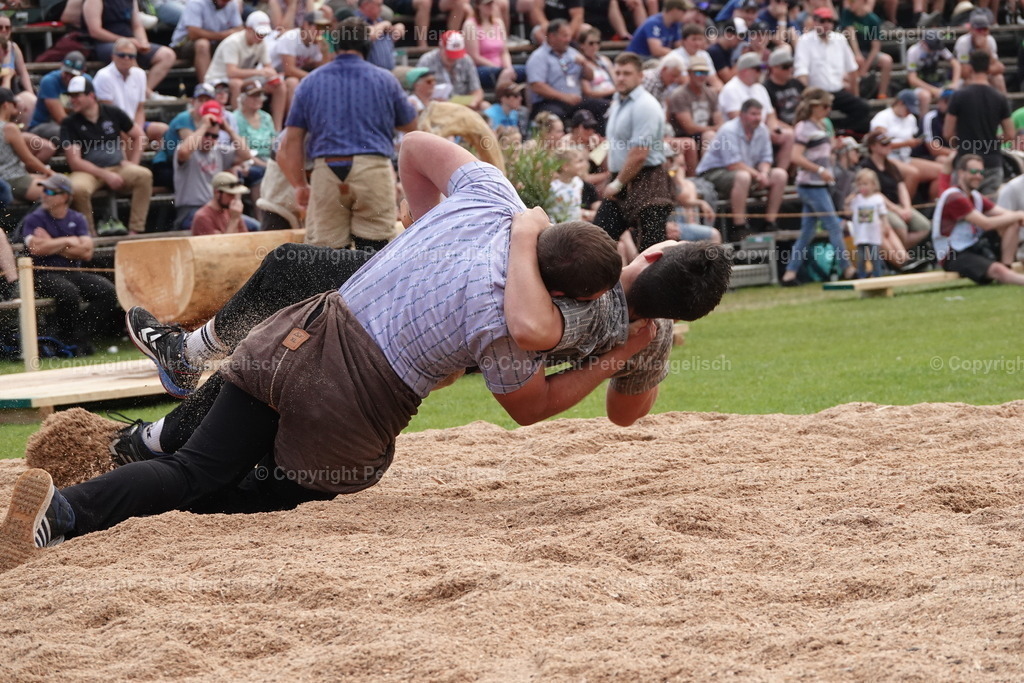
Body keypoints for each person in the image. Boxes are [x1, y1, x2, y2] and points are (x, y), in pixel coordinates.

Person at [0, 132, 733, 571]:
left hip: (300, 332)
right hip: (351, 400)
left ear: (653, 250)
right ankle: (116, 492)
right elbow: (541, 402)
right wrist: (621, 357)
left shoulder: (494, 198)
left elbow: (414, 146)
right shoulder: (539, 323)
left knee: (198, 464)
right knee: (249, 490)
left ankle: (66, 509)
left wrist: (422, 228)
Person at [279, 18, 417, 252]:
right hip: (372, 170)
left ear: (336, 45)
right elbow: (411, 125)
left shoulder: (310, 82)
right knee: (375, 253)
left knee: (327, 256)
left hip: (327, 171)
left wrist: (300, 184)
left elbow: (292, 140)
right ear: (367, 46)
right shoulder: (385, 79)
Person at [22, 174, 121, 356]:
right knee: (68, 293)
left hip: (72, 271)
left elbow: (87, 252)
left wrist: (51, 243)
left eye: (50, 191)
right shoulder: (34, 218)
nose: (44, 194)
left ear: (65, 196)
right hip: (43, 273)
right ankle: (69, 339)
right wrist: (67, 241)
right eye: (44, 190)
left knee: (108, 291)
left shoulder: (78, 217)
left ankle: (78, 336)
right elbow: (36, 249)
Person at [594, 52, 673, 255]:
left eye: (627, 73)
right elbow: (616, 146)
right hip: (622, 179)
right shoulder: (618, 102)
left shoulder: (645, 105)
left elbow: (639, 154)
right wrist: (613, 179)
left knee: (651, 252)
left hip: (649, 182)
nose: (621, 78)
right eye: (618, 73)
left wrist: (617, 183)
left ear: (640, 76)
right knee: (597, 242)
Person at [780, 88, 855, 286]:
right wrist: (820, 170)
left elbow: (819, 151)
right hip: (811, 185)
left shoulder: (821, 124)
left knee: (807, 232)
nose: (828, 110)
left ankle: (789, 273)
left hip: (820, 184)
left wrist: (835, 147)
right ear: (814, 106)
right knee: (833, 226)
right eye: (825, 106)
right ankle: (847, 268)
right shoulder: (804, 127)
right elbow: (796, 157)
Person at [61, 76, 153, 236]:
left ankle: (135, 230)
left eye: (76, 95)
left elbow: (140, 136)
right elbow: (75, 162)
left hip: (118, 166)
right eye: (70, 96)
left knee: (144, 175)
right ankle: (89, 234)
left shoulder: (113, 112)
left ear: (91, 96)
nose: (72, 100)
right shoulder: (69, 123)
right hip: (88, 171)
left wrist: (133, 163)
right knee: (77, 188)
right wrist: (106, 175)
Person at [696, 98, 789, 235]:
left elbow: (766, 159)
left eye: (759, 114)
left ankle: (770, 222)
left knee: (780, 175)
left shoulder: (762, 130)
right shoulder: (728, 130)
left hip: (746, 170)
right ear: (742, 115)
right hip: (713, 173)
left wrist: (764, 173)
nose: (757, 118)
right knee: (743, 177)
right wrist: (758, 176)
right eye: (753, 114)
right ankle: (739, 226)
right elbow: (733, 164)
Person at [933, 153, 1024, 285]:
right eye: (973, 172)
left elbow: (1005, 214)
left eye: (981, 172)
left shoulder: (975, 196)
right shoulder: (954, 197)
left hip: (973, 245)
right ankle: (1006, 273)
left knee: (1012, 222)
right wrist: (1019, 215)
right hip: (953, 254)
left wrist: (1018, 216)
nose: (978, 176)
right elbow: (986, 224)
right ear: (961, 173)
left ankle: (1007, 265)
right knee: (998, 270)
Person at [173, 101, 254, 231]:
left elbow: (246, 155)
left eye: (214, 136)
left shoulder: (219, 151)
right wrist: (204, 126)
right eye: (207, 135)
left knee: (255, 227)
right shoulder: (187, 149)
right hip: (191, 210)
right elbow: (184, 152)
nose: (210, 139)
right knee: (216, 233)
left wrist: (229, 130)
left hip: (218, 209)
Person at [945, 50, 1014, 196]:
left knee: (963, 206)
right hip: (992, 162)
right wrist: (993, 142)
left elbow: (947, 133)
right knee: (990, 207)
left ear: (970, 68)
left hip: (966, 162)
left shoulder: (959, 96)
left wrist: (962, 143)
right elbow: (1010, 134)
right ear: (989, 69)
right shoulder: (1000, 98)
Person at [793, 6, 870, 134]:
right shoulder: (805, 41)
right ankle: (832, 132)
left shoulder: (840, 39)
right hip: (817, 94)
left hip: (837, 92)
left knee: (862, 107)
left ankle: (841, 131)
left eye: (829, 21)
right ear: (815, 22)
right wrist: (807, 97)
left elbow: (852, 70)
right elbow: (802, 73)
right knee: (819, 111)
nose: (826, 24)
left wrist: (855, 95)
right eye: (822, 21)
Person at [206, 10, 286, 128]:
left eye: (264, 34)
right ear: (248, 29)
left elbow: (268, 67)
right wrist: (261, 72)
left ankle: (277, 128)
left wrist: (273, 76)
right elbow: (231, 72)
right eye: (259, 33)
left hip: (243, 78)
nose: (261, 37)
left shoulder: (261, 43)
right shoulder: (233, 42)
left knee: (280, 85)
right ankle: (238, 126)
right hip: (218, 80)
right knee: (236, 83)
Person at [718, 51, 793, 171]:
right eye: (758, 69)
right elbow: (737, 118)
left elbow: (770, 114)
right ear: (744, 71)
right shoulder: (731, 89)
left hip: (761, 130)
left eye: (762, 68)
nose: (761, 72)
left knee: (788, 135)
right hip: (739, 133)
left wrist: (773, 129)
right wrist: (764, 131)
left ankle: (780, 173)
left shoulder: (760, 88)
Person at [81, 0, 177, 95]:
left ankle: (143, 93)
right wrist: (126, 41)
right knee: (127, 55)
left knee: (167, 55)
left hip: (131, 42)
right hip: (105, 43)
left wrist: (143, 42)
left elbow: (137, 26)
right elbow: (95, 31)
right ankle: (147, 94)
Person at [860, 128, 932, 252]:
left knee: (924, 227)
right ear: (872, 146)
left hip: (897, 204)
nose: (889, 146)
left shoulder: (891, 165)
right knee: (900, 227)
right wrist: (896, 210)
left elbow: (901, 187)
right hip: (879, 208)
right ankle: (901, 256)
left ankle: (900, 253)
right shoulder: (866, 166)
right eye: (884, 143)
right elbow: (875, 192)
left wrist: (907, 207)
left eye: (889, 142)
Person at [525, 19, 607, 126]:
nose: (568, 39)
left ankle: (601, 136)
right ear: (552, 36)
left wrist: (585, 64)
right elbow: (537, 86)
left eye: (569, 35)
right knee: (556, 115)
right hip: (548, 102)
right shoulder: (539, 57)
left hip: (575, 102)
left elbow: (590, 77)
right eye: (564, 36)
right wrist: (564, 97)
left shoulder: (573, 52)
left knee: (603, 106)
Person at [93, 38, 170, 151]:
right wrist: (134, 134)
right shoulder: (103, 76)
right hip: (111, 126)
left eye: (131, 56)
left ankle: (160, 161)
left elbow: (140, 109)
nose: (127, 59)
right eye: (122, 55)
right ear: (113, 56)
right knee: (129, 139)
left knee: (164, 131)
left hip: (133, 124)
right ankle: (133, 161)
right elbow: (107, 114)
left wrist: (138, 130)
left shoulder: (140, 74)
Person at [665, 55, 721, 176]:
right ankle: (702, 175)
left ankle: (714, 174)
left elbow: (719, 121)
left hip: (704, 134)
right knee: (709, 136)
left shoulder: (711, 94)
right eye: (698, 72)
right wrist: (713, 129)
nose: (702, 76)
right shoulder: (679, 95)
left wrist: (716, 128)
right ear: (689, 73)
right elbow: (689, 128)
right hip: (684, 135)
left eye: (705, 72)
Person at [270, 10, 330, 114]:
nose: (320, 32)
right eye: (317, 27)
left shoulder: (315, 43)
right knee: (293, 82)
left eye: (322, 28)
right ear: (306, 25)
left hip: (284, 76)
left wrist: (325, 52)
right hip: (270, 73)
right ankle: (291, 120)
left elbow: (321, 69)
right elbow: (289, 70)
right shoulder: (291, 37)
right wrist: (314, 78)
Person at [170, 0, 244, 84]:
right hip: (183, 46)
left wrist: (224, 35)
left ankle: (230, 84)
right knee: (202, 44)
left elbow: (239, 29)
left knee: (233, 42)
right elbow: (193, 33)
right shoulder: (196, 3)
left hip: (214, 43)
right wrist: (223, 35)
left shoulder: (232, 4)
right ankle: (206, 86)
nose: (225, 3)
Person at [0, 88, 53, 203]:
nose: (16, 107)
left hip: (7, 178)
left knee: (48, 180)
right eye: (14, 104)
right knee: (59, 190)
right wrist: (50, 173)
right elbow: (28, 160)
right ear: (6, 105)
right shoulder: (9, 128)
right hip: (13, 179)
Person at [29, 52, 91, 144]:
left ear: (83, 72)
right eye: (66, 73)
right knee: (67, 133)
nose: (68, 78)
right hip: (45, 124)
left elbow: (91, 110)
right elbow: (61, 119)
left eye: (73, 75)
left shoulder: (87, 82)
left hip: (74, 123)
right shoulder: (49, 81)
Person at [417, 31, 486, 111]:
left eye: (456, 54)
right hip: (436, 105)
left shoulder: (466, 60)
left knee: (485, 106)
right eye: (449, 54)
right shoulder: (427, 60)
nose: (453, 58)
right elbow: (418, 90)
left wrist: (474, 101)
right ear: (441, 47)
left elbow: (477, 90)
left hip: (462, 104)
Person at [463, 0, 522, 91]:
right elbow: (475, 57)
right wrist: (498, 68)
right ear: (478, 6)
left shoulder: (498, 23)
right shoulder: (470, 25)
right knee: (501, 73)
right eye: (487, 4)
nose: (491, 6)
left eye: (492, 3)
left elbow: (504, 52)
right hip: (481, 68)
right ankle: (505, 93)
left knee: (525, 70)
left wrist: (508, 68)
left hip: (501, 67)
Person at [839, 0, 892, 99]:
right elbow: (851, 35)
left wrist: (865, 67)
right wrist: (857, 54)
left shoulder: (873, 19)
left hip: (868, 53)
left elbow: (875, 47)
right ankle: (855, 97)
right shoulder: (847, 13)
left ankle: (882, 94)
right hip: (851, 52)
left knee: (887, 60)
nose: (850, 4)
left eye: (853, 1)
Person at [235, 79, 276, 202]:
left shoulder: (266, 117)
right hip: (248, 161)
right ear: (243, 98)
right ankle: (260, 212)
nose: (258, 99)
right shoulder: (236, 118)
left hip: (268, 160)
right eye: (253, 96)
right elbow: (244, 153)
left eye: (260, 95)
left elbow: (274, 143)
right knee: (261, 172)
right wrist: (266, 165)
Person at [848, 168, 890, 278]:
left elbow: (883, 214)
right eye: (860, 184)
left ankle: (878, 275)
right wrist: (850, 198)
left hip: (873, 233)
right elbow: (847, 209)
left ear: (873, 185)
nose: (862, 187)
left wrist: (885, 226)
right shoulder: (856, 200)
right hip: (861, 234)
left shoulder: (877, 199)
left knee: (874, 256)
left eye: (865, 184)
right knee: (861, 257)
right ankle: (861, 276)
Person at [907, 31, 961, 116]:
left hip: (936, 82)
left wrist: (955, 83)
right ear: (923, 43)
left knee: (955, 92)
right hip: (920, 85)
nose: (934, 50)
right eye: (931, 48)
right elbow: (912, 79)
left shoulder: (938, 47)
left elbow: (956, 64)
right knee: (925, 96)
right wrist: (933, 90)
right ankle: (923, 121)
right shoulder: (913, 52)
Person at [953, 11, 1006, 93]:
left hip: (982, 74)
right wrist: (983, 72)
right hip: (965, 78)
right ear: (971, 30)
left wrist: (984, 49)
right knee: (972, 82)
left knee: (999, 78)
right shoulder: (963, 42)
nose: (982, 33)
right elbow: (964, 72)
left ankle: (1003, 101)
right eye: (979, 30)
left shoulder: (990, 40)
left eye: (985, 29)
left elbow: (999, 68)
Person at [191, 171, 250, 235]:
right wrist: (234, 220)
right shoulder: (203, 217)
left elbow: (245, 238)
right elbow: (223, 241)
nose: (234, 199)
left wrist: (236, 217)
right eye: (230, 195)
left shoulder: (232, 211)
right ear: (217, 192)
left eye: (235, 195)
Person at [356, 0, 404, 71]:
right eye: (379, 5)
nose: (381, 9)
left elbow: (393, 37)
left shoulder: (378, 20)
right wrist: (384, 24)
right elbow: (370, 35)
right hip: (369, 72)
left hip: (390, 70)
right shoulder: (356, 20)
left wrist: (398, 28)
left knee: (416, 74)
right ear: (366, 5)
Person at [764, 46, 804, 126]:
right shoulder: (765, 89)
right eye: (786, 67)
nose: (790, 69)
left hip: (802, 124)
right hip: (783, 127)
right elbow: (770, 118)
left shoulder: (796, 83)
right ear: (773, 68)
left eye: (791, 65)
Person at [578, 25, 616, 102]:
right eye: (591, 43)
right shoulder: (581, 63)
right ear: (582, 45)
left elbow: (616, 80)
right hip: (597, 100)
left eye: (598, 43)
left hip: (613, 95)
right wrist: (614, 91)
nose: (595, 46)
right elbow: (588, 93)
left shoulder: (604, 59)